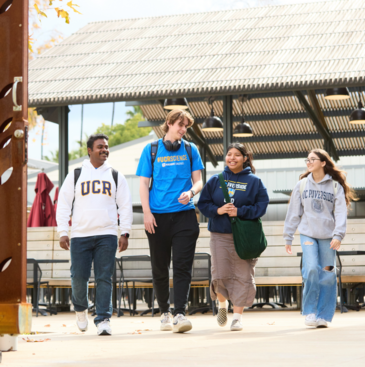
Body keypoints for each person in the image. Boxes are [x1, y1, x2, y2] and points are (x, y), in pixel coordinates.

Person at [56, 134, 133, 336]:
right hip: (80, 235)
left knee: (104, 278)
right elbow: (63, 204)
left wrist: (125, 232)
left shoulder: (116, 175)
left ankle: (103, 319)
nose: (104, 150)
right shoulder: (75, 174)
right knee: (78, 277)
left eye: (106, 147)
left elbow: (125, 206)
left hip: (107, 234)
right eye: (100, 147)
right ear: (90, 150)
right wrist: (63, 231)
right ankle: (81, 310)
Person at [136, 109, 204, 333]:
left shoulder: (190, 149)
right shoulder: (152, 149)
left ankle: (180, 313)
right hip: (157, 217)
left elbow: (199, 181)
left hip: (185, 215)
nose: (183, 130)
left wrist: (191, 193)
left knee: (183, 266)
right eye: (180, 125)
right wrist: (146, 212)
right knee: (159, 266)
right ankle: (165, 311)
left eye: (186, 126)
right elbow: (144, 184)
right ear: (169, 123)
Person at [198, 143, 269, 331]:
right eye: (229, 155)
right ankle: (222, 304)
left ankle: (237, 317)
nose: (232, 158)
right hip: (219, 235)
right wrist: (218, 210)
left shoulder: (255, 182)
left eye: (237, 155)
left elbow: (261, 206)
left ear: (245, 158)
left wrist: (240, 211)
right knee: (219, 274)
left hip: (244, 236)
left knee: (243, 275)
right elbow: (203, 204)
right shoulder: (215, 180)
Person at [284, 149, 356, 328]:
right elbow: (294, 213)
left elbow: (340, 214)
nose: (308, 162)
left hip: (328, 238)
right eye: (307, 160)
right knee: (311, 270)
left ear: (323, 163)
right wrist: (288, 236)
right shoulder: (301, 185)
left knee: (328, 273)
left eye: (312, 159)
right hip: (308, 236)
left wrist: (338, 235)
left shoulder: (335, 187)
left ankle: (323, 315)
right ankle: (310, 312)